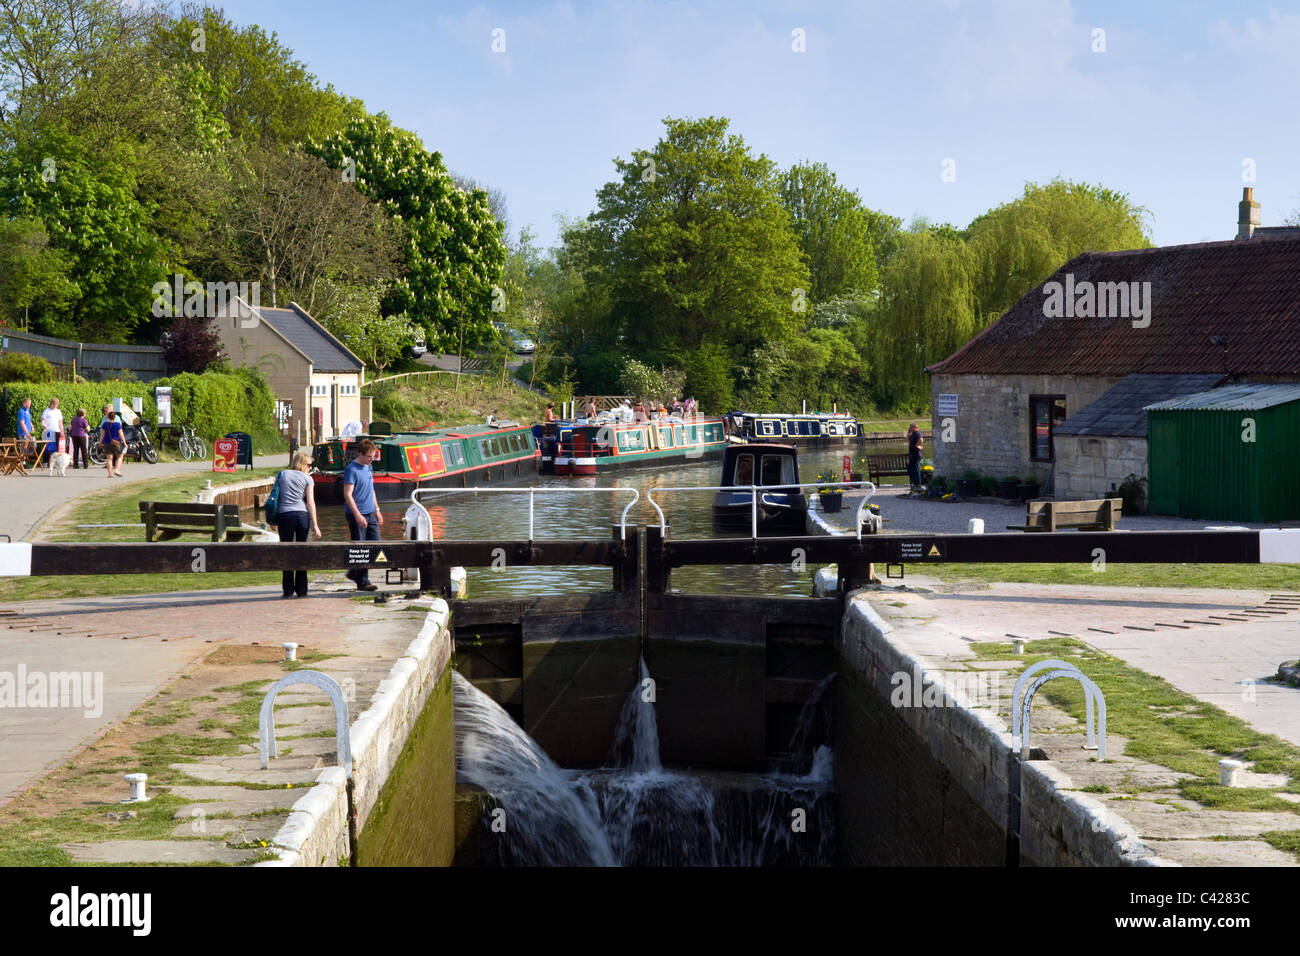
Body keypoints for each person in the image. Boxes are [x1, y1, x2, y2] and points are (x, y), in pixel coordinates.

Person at [275, 450, 321, 598]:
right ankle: (302, 590)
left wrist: (272, 520)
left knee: (285, 552)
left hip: (285, 516)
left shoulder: (282, 474)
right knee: (302, 553)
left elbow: (275, 498)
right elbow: (310, 503)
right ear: (302, 464)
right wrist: (315, 524)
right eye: (308, 465)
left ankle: (287, 590)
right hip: (302, 516)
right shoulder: (308, 479)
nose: (309, 468)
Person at [342, 438, 383, 591]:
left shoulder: (369, 468)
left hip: (370, 512)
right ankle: (363, 581)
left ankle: (354, 572)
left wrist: (377, 510)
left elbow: (372, 490)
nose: (372, 459)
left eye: (373, 456)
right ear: (360, 454)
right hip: (356, 514)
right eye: (369, 456)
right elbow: (347, 494)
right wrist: (358, 515)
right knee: (361, 547)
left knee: (377, 545)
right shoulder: (351, 470)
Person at [100, 410, 125, 477]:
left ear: (108, 417)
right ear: (115, 417)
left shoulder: (105, 424)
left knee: (109, 458)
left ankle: (110, 474)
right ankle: (117, 470)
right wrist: (124, 443)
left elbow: (102, 434)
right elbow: (121, 434)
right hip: (116, 442)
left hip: (106, 442)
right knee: (120, 456)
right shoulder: (117, 424)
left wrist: (100, 442)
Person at [40, 397, 64, 467]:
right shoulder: (46, 411)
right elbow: (42, 420)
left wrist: (62, 430)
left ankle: (54, 462)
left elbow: (60, 422)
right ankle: (45, 462)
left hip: (56, 431)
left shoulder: (58, 411)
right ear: (51, 403)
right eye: (54, 404)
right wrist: (44, 425)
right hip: (48, 432)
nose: (55, 406)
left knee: (55, 448)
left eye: (56, 404)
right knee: (46, 447)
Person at [907, 423, 924, 492]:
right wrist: (908, 432)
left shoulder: (917, 433)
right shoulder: (913, 434)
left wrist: (917, 445)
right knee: (910, 469)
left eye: (910, 427)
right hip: (912, 455)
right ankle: (915, 483)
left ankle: (918, 485)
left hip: (916, 455)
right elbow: (907, 440)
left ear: (914, 427)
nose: (909, 428)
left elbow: (921, 440)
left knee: (916, 470)